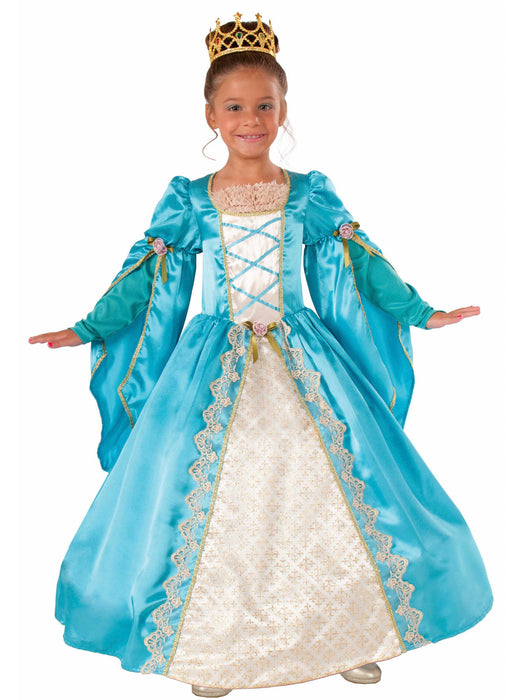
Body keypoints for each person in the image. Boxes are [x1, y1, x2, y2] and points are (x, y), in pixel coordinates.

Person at [28, 12, 493, 699]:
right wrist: (89, 326)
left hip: (303, 358)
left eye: (265, 106)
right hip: (210, 363)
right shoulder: (191, 200)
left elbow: (362, 264)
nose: (251, 120)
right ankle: (214, 647)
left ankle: (350, 632)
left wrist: (420, 312)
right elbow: (146, 277)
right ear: (210, 115)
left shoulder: (308, 194)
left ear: (284, 109)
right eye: (235, 107)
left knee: (329, 490)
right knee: (209, 496)